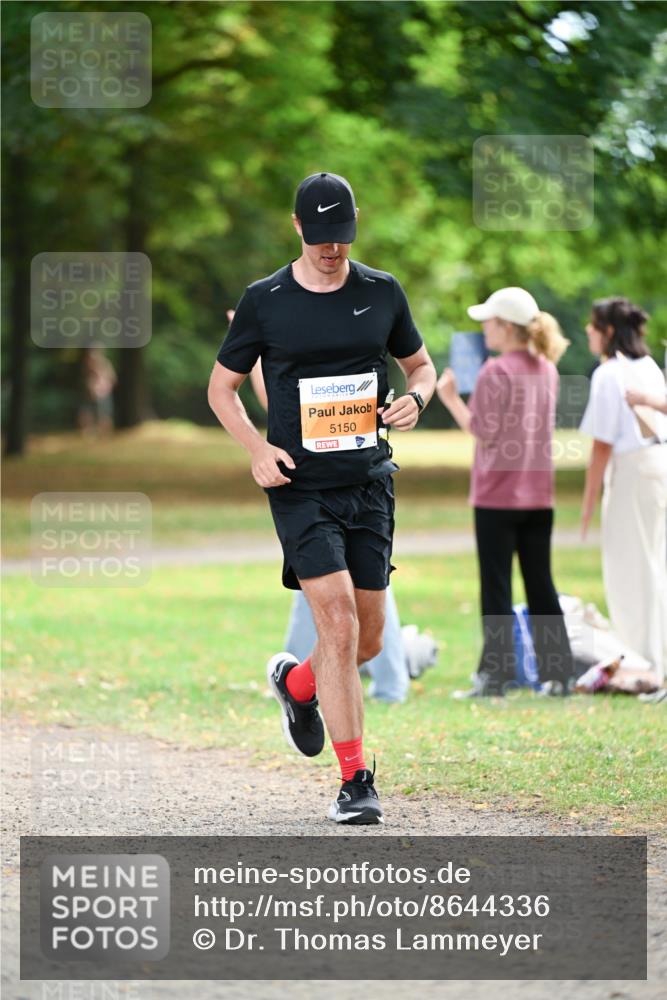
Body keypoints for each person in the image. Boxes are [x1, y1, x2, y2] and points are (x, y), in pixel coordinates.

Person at [208, 172, 436, 824]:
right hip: (299, 487)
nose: (332, 251)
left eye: (342, 238)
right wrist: (256, 449)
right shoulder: (265, 300)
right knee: (333, 625)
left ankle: (297, 684)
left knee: (364, 640)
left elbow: (420, 366)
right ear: (297, 226)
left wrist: (415, 397)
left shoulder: (382, 290)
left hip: (369, 482)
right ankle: (355, 781)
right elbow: (221, 389)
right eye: (321, 239)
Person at [437, 287, 575, 697]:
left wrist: (449, 398)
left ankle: (496, 678)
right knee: (540, 583)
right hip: (539, 495)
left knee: (496, 585)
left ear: (506, 326)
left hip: (497, 496)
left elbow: (483, 431)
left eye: (489, 322)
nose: (484, 329)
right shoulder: (546, 368)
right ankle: (558, 674)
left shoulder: (495, 372)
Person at [579, 296, 667, 685]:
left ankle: (644, 661)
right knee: (654, 562)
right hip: (658, 467)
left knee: (631, 569)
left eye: (593, 325)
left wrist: (587, 503)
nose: (588, 331)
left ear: (608, 331)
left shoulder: (608, 373)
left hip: (631, 472)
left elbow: (601, 445)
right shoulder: (646, 366)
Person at [78, 347, 116, 436]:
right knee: (89, 414)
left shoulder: (106, 365)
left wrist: (106, 388)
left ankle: (105, 434)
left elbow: (112, 378)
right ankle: (91, 433)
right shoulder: (89, 368)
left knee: (104, 415)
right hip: (92, 394)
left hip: (103, 394)